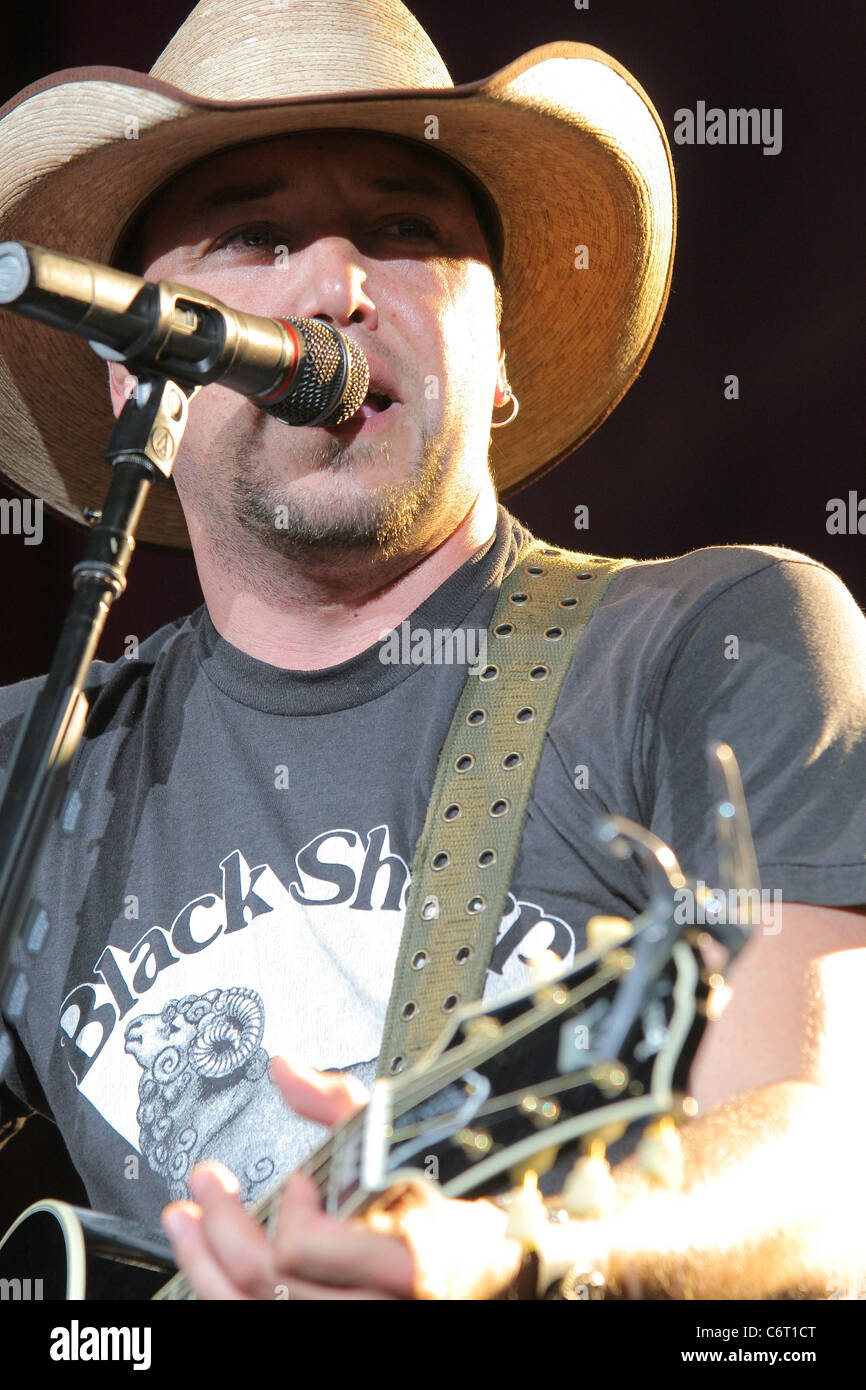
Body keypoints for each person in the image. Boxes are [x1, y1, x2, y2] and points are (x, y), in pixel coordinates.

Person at [0, 0, 864, 1301]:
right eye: (255, 232)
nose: (335, 285)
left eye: (404, 229)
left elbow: (824, 1169)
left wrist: (527, 1248)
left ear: (497, 348)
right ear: (135, 373)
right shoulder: (29, 764)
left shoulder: (715, 641)